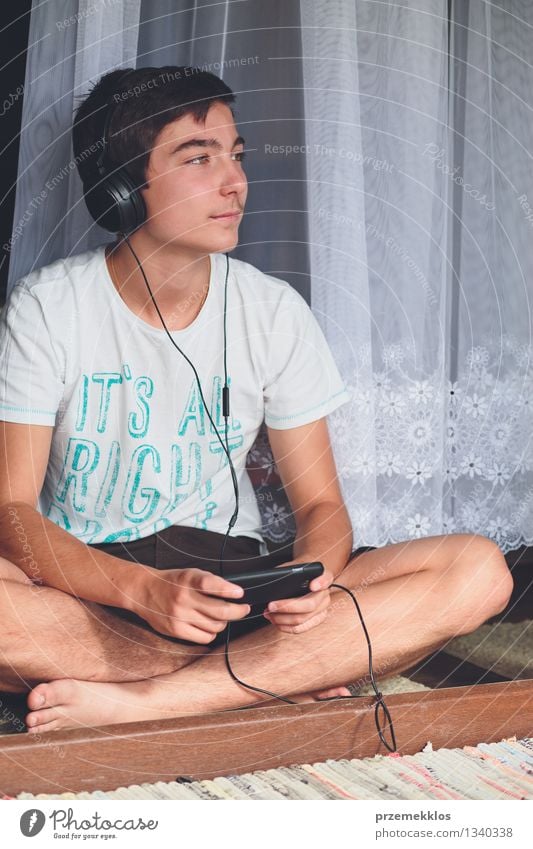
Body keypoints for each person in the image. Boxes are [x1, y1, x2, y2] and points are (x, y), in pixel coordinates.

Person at [0, 66, 513, 733]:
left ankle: (161, 700)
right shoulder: (47, 307)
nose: (234, 182)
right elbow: (12, 511)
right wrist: (143, 591)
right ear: (122, 190)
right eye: (198, 158)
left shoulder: (273, 310)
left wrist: (314, 584)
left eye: (235, 156)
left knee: (478, 571)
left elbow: (323, 506)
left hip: (237, 582)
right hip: (93, 586)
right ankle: (275, 674)